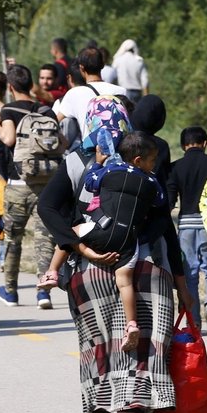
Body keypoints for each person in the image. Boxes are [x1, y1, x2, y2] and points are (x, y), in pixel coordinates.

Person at [37, 102, 192, 413]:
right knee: (138, 358)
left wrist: (80, 247)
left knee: (98, 355)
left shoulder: (78, 163)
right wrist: (181, 283)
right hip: (143, 271)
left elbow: (47, 208)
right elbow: (164, 225)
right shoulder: (143, 169)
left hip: (89, 274)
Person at [77, 131, 166, 351]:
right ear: (139, 161)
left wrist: (97, 164)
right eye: (152, 160)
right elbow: (160, 201)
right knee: (125, 280)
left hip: (101, 231)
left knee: (71, 230)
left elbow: (90, 184)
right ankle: (132, 323)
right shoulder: (151, 181)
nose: (154, 164)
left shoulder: (108, 171)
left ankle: (52, 269)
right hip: (128, 240)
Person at [0, 64, 61, 308]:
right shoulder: (46, 110)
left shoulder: (9, 110)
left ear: (10, 87)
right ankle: (44, 292)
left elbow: (8, 139)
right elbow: (62, 143)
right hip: (47, 183)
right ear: (31, 85)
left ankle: (10, 290)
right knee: (44, 238)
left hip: (19, 183)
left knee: (13, 237)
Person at [166, 126, 207, 336]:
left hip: (185, 226)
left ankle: (194, 322)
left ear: (183, 146)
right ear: (205, 143)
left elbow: (170, 199)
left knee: (189, 273)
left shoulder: (176, 167)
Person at [55, 47, 126, 144]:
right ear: (102, 65)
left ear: (81, 68)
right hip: (119, 150)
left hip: (91, 151)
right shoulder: (121, 91)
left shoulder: (74, 94)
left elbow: (55, 122)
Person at [112, 39, 149, 103]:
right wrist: (146, 99)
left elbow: (113, 77)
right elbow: (145, 81)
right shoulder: (139, 61)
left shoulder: (118, 60)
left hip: (122, 92)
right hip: (136, 93)